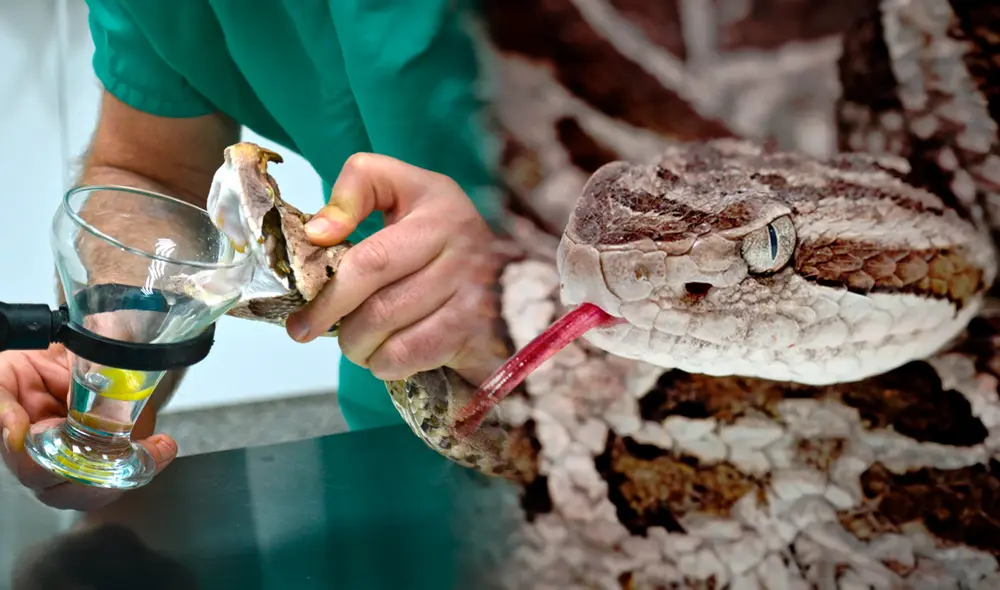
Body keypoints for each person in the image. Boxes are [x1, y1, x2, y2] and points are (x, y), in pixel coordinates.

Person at [0, 1, 506, 511]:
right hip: (395, 426)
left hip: (573, 396)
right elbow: (154, 169)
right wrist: (124, 346)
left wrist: (533, 304)